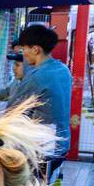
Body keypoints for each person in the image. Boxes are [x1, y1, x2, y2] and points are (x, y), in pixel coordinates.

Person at [8, 24, 72, 177]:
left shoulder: (38, 76)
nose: (23, 55)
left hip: (42, 149)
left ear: (36, 50)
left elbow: (13, 112)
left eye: (24, 50)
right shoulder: (63, 70)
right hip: (61, 144)